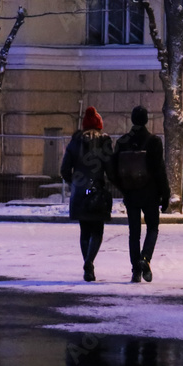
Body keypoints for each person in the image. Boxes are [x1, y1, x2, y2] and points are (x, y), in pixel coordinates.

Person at [113, 105, 170, 283]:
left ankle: (136, 271)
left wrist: (123, 188)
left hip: (131, 194)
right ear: (146, 120)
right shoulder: (153, 141)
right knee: (152, 228)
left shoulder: (122, 142)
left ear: (132, 119)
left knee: (134, 233)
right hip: (150, 193)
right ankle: (145, 258)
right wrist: (165, 194)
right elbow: (159, 170)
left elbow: (114, 170)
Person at [61, 106, 114, 282]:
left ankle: (87, 265)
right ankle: (89, 262)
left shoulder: (75, 142)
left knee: (84, 231)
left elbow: (64, 170)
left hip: (80, 192)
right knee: (97, 230)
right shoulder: (104, 143)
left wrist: (74, 183)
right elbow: (110, 169)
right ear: (99, 126)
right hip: (97, 191)